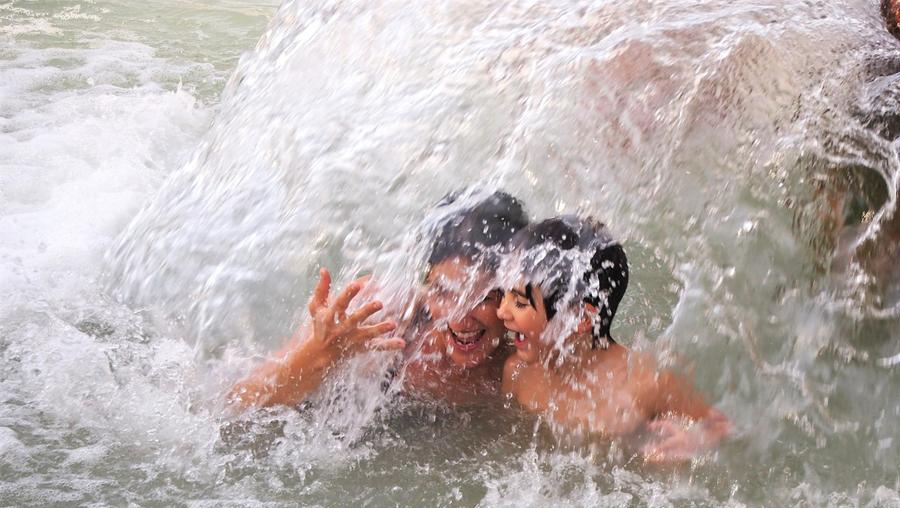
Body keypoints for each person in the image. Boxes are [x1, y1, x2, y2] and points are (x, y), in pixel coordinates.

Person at [229, 191, 528, 409]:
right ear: (423, 282)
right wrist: (320, 354)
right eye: (443, 292)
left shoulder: (524, 358)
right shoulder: (375, 317)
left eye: (481, 298)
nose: (459, 318)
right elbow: (235, 406)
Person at [496, 216, 730, 462]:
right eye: (503, 296)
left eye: (520, 303)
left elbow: (725, 429)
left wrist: (696, 441)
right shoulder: (517, 373)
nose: (502, 312)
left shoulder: (648, 380)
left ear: (580, 318)